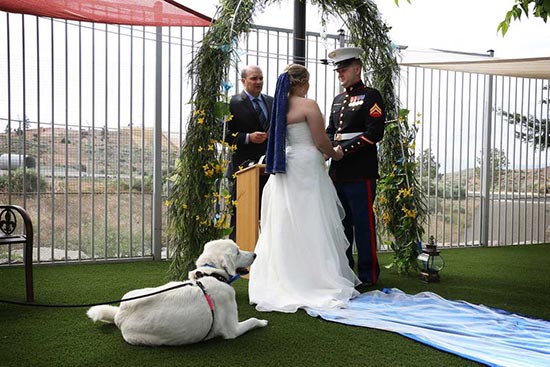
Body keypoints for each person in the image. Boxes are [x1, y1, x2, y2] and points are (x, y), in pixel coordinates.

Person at [248, 64, 360, 313]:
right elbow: (321, 141)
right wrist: (337, 154)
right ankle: (317, 279)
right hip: (307, 165)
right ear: (303, 83)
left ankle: (284, 279)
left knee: (285, 222)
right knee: (313, 220)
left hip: (286, 166)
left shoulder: (279, 107)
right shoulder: (308, 105)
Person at [325, 47, 386, 286]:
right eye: (337, 70)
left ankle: (368, 275)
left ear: (357, 68)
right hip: (338, 172)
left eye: (344, 69)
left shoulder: (371, 96)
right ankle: (346, 271)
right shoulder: (338, 100)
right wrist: (330, 148)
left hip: (360, 171)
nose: (340, 73)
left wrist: (343, 150)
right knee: (342, 225)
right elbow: (331, 130)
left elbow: (374, 132)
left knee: (363, 224)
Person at [225, 65, 274, 240]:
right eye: (254, 78)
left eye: (260, 78)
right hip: (242, 169)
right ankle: (237, 254)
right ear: (243, 81)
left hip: (268, 168)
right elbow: (223, 134)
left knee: (269, 212)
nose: (258, 82)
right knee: (240, 216)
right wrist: (248, 137)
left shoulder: (271, 102)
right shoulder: (232, 103)